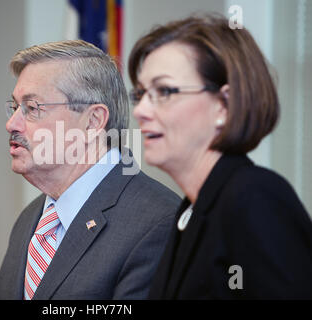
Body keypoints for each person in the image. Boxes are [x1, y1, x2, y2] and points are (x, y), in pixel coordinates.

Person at [0, 40, 180, 300]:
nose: (12, 124)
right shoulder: (32, 219)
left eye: (32, 108)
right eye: (15, 107)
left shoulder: (158, 224)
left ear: (93, 121)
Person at [129, 14, 312, 299]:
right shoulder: (192, 209)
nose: (140, 110)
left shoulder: (255, 197)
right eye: (141, 94)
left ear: (223, 106)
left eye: (164, 91)